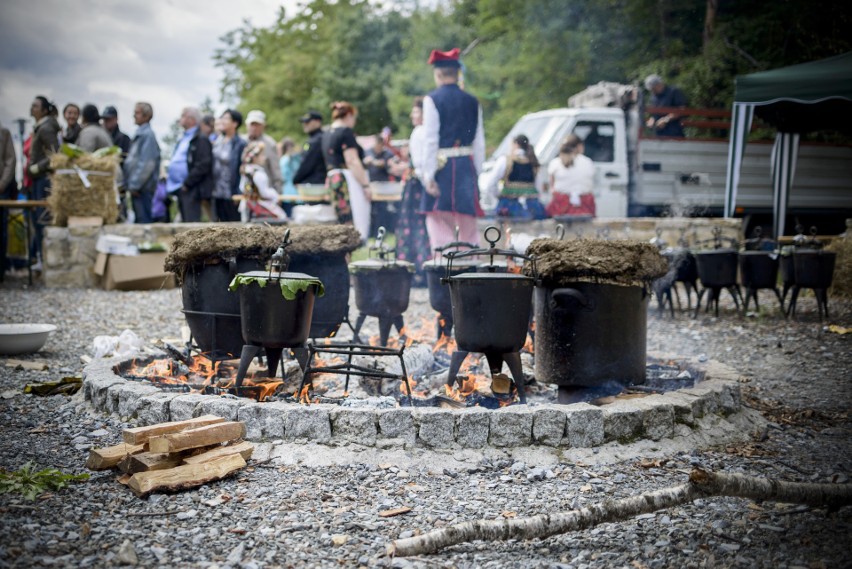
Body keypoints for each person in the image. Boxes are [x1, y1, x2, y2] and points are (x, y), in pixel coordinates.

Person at [420, 48, 485, 250]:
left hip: (443, 167)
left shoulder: (432, 100)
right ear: (457, 73)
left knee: (437, 219)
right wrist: (478, 173)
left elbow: (430, 140)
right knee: (468, 223)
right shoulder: (473, 101)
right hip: (466, 165)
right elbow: (479, 141)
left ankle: (445, 265)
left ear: (438, 73)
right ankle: (469, 266)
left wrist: (428, 176)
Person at [321, 101, 372, 241]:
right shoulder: (346, 132)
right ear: (349, 115)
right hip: (346, 181)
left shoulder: (325, 134)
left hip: (332, 179)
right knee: (350, 225)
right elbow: (352, 161)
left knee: (341, 222)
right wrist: (365, 185)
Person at [395, 97, 430, 287]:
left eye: (415, 112)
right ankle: (420, 267)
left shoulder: (420, 132)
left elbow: (419, 163)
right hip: (418, 184)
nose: (412, 115)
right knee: (420, 226)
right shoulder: (424, 132)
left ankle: (414, 267)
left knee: (414, 225)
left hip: (417, 185)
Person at [27, 96, 60, 269]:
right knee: (38, 219)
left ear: (45, 110)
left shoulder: (46, 128)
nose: (32, 108)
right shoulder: (41, 126)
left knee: (42, 219)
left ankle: (43, 258)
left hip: (43, 179)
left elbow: (55, 154)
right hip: (38, 179)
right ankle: (41, 256)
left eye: (36, 106)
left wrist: (36, 168)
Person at [483, 134, 546, 220]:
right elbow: (539, 189)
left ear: (516, 144)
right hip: (532, 208)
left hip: (509, 206)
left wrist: (498, 195)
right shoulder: (534, 162)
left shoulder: (505, 160)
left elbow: (491, 184)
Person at [166, 107, 213, 222]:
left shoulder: (200, 138)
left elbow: (204, 164)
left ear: (192, 120)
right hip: (180, 188)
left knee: (191, 224)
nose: (180, 118)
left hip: (191, 189)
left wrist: (187, 183)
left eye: (183, 115)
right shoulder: (184, 137)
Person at [122, 102, 160, 224]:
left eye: (137, 112)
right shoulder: (141, 134)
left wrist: (135, 185)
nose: (134, 115)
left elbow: (147, 164)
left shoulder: (147, 135)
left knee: (143, 222)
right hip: (138, 188)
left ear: (146, 116)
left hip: (142, 189)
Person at [545, 134, 596, 217]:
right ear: (579, 146)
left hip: (561, 206)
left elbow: (552, 188)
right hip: (584, 205)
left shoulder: (555, 163)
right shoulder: (587, 162)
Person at [211, 109, 247, 222]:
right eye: (222, 118)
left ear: (235, 123)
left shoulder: (240, 144)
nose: (222, 121)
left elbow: (243, 170)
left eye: (226, 118)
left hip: (231, 192)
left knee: (233, 227)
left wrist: (238, 192)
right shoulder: (218, 140)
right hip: (216, 191)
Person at [239, 141, 288, 222]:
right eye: (262, 155)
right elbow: (264, 192)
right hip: (260, 205)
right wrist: (275, 195)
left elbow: (241, 187)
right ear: (255, 158)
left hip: (247, 205)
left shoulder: (246, 170)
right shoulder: (258, 173)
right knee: (282, 216)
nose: (264, 157)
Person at [364, 136, 398, 234]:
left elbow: (385, 164)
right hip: (370, 185)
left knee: (382, 211)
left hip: (383, 186)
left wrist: (373, 162)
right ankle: (371, 232)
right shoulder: (368, 151)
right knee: (370, 211)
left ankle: (380, 231)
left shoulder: (387, 153)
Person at [245, 110, 283, 193]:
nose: (254, 128)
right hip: (245, 191)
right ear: (247, 125)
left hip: (265, 193)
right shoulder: (242, 142)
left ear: (263, 126)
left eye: (257, 125)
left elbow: (276, 171)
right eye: (252, 124)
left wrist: (278, 192)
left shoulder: (270, 144)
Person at [292, 110, 326, 186]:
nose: (304, 124)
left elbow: (307, 164)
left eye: (308, 122)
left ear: (317, 122)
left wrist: (296, 179)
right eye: (304, 122)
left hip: (314, 184)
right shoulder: (320, 138)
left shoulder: (315, 141)